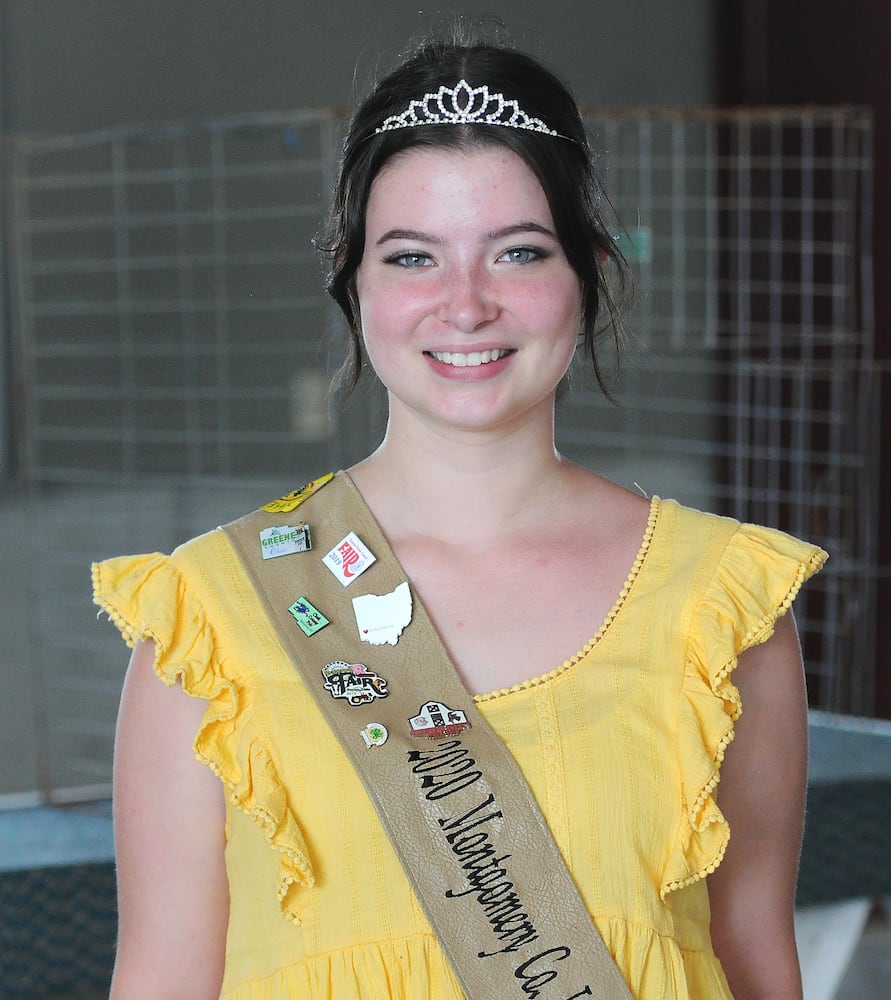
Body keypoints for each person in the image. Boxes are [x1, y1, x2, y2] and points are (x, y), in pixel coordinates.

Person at [93, 34, 827, 1000]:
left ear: (588, 274)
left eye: (518, 251)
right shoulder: (216, 611)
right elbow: (162, 979)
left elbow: (754, 965)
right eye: (412, 257)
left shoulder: (722, 605)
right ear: (354, 283)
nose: (465, 304)